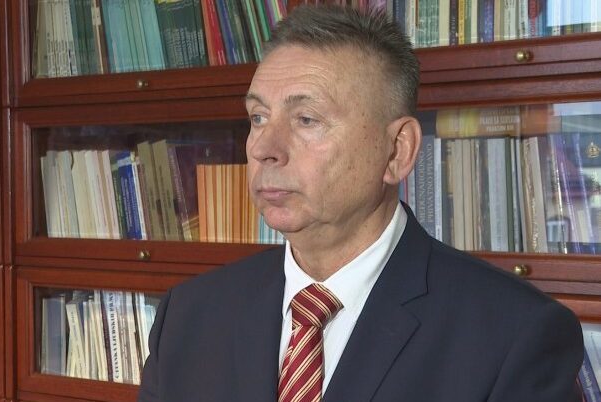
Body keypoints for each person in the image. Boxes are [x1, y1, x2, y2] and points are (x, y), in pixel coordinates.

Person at [138, 4, 583, 402]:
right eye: (258, 117)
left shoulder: (514, 335)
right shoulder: (188, 316)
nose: (263, 148)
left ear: (396, 152)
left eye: (306, 119)